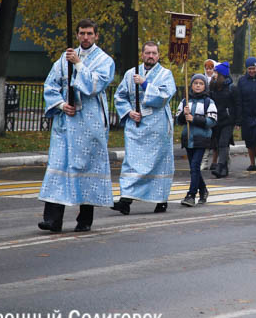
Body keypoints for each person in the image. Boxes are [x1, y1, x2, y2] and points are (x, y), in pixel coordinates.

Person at [38, 19, 115, 233]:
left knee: (86, 168)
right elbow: (50, 85)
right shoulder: (64, 59)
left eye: (89, 33)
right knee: (59, 167)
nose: (85, 37)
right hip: (65, 123)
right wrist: (61, 105)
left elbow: (95, 86)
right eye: (82, 33)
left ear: (96, 36)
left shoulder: (104, 60)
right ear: (77, 34)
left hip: (90, 124)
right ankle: (53, 220)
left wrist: (79, 64)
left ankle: (85, 220)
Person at [111, 41, 177, 215]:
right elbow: (120, 96)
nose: (151, 56)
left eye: (154, 53)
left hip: (157, 127)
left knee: (157, 164)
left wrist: (145, 84)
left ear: (158, 55)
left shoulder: (165, 74)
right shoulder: (130, 73)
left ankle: (160, 200)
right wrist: (129, 112)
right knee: (132, 162)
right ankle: (125, 200)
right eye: (147, 53)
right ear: (142, 54)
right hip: (136, 126)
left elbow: (165, 96)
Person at [176, 74, 217, 206]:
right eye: (195, 83)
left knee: (194, 166)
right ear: (191, 85)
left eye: (201, 83)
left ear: (205, 86)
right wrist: (184, 115)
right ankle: (203, 190)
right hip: (188, 138)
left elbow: (212, 121)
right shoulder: (185, 101)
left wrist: (194, 119)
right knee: (194, 168)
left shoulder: (208, 102)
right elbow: (178, 120)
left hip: (202, 138)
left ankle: (191, 195)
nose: (198, 85)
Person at [236, 57, 256, 171]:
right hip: (247, 115)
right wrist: (238, 119)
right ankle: (252, 163)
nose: (252, 71)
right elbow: (239, 100)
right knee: (249, 140)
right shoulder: (242, 81)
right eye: (249, 69)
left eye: (254, 68)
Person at [209, 61, 235, 178]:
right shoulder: (213, 86)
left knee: (223, 143)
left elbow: (237, 104)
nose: (213, 74)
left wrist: (238, 121)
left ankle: (220, 167)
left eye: (215, 72)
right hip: (216, 119)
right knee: (219, 143)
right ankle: (224, 169)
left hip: (227, 120)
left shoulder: (231, 88)